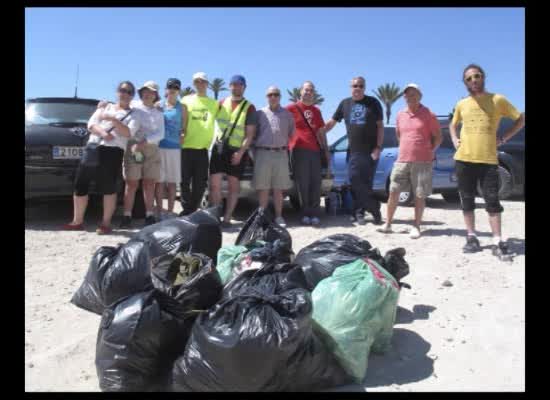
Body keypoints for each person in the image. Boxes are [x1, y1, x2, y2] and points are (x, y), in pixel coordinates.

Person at [449, 64, 525, 259]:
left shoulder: (497, 100)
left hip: (488, 159)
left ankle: (497, 240)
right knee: (466, 199)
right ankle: (471, 237)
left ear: (483, 77)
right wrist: (454, 139)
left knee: (492, 199)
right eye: (469, 78)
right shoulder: (462, 104)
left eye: (477, 76)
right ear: (465, 83)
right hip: (464, 159)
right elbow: (452, 124)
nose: (473, 80)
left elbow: (520, 119)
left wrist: (504, 138)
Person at [62, 81, 140, 234]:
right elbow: (91, 124)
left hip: (113, 151)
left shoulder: (133, 114)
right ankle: (77, 221)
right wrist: (103, 133)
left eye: (129, 92)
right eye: (122, 90)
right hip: (93, 147)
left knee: (108, 187)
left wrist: (113, 119)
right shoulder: (105, 107)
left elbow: (128, 133)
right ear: (117, 92)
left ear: (132, 96)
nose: (125, 93)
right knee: (81, 184)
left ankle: (105, 224)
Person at [377, 83, 442, 239]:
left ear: (420, 96)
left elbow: (439, 137)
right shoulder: (400, 115)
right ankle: (388, 224)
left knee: (419, 195)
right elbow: (400, 136)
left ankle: (417, 226)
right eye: (407, 95)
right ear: (404, 97)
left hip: (422, 161)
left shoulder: (429, 114)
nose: (410, 97)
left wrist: (430, 151)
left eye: (413, 94)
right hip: (402, 160)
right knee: (393, 191)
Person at [322, 76, 384, 225]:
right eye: (355, 86)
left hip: (370, 151)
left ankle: (360, 213)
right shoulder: (345, 104)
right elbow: (332, 122)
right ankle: (374, 208)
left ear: (364, 87)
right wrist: (319, 131)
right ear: (350, 87)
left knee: (366, 183)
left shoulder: (373, 102)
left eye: (360, 86)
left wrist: (378, 147)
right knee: (354, 182)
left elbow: (380, 126)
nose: (357, 88)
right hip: (353, 151)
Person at [209, 74, 257, 227]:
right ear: (230, 86)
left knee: (233, 186)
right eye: (234, 84)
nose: (236, 87)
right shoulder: (221, 103)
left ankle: (228, 218)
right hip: (219, 148)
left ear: (244, 87)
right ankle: (216, 216)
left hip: (237, 150)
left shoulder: (249, 107)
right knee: (215, 185)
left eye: (239, 85)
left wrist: (241, 152)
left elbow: (250, 134)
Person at [119, 81, 165, 228]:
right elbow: (120, 105)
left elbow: (161, 133)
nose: (147, 94)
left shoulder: (159, 113)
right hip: (135, 148)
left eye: (151, 92)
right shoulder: (134, 108)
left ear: (155, 95)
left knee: (149, 183)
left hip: (151, 150)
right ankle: (127, 216)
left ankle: (149, 215)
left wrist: (145, 141)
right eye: (145, 91)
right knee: (131, 183)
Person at [286, 81, 329, 226]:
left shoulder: (316, 111)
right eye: (306, 90)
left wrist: (326, 152)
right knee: (302, 184)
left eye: (311, 90)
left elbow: (321, 132)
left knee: (316, 183)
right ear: (300, 91)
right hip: (298, 150)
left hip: (315, 151)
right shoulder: (291, 108)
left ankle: (315, 213)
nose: (308, 92)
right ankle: (305, 213)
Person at [254, 86, 296, 227]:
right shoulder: (259, 113)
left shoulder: (287, 115)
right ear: (266, 96)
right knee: (263, 188)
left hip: (281, 154)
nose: (273, 97)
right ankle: (262, 217)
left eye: (276, 94)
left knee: (279, 189)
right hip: (263, 153)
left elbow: (292, 134)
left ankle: (279, 217)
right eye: (270, 94)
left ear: (280, 96)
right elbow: (252, 134)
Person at [179, 72, 220, 216]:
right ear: (194, 84)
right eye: (197, 82)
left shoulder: (214, 104)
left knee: (200, 184)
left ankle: (192, 209)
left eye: (202, 82)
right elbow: (182, 119)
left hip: (203, 149)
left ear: (207, 84)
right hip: (185, 147)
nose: (200, 84)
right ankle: (187, 210)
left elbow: (222, 121)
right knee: (184, 182)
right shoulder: (186, 99)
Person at [155, 78, 186, 219]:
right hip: (159, 147)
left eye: (175, 87)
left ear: (179, 90)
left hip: (174, 149)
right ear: (166, 89)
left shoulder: (183, 107)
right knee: (160, 181)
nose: (172, 89)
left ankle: (170, 211)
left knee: (172, 182)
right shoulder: (158, 105)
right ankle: (160, 210)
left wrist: (183, 136)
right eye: (170, 86)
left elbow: (184, 128)